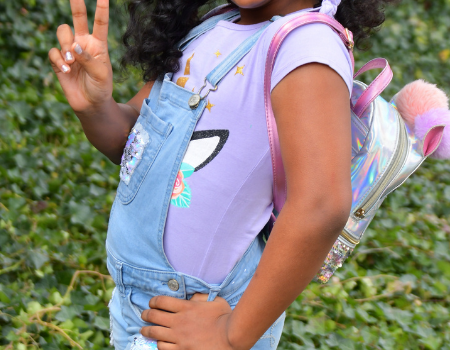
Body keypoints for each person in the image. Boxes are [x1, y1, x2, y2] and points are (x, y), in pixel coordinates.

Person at [47, 0, 393, 348]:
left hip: (201, 323)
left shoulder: (306, 46)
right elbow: (139, 149)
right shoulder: (213, 26)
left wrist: (230, 335)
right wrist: (96, 108)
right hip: (142, 309)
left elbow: (321, 205)